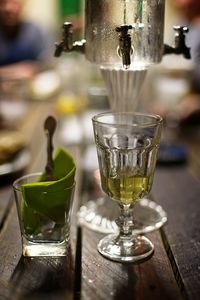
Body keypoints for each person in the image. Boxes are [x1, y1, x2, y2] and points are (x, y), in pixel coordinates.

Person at [0, 0, 49, 79]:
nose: (8, 8)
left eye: (14, 3)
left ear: (23, 6)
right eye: (2, 3)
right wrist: (17, 71)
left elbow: (46, 63)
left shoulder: (33, 31)